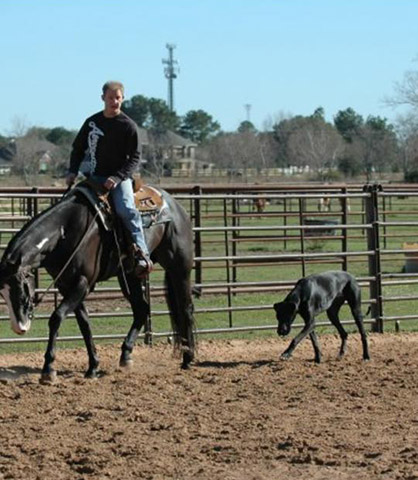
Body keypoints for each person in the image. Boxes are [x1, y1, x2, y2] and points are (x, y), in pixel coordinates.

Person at [66, 80, 153, 276]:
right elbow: (78, 149)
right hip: (94, 177)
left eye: (118, 98)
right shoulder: (92, 122)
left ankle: (142, 252)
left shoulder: (128, 126)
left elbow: (135, 158)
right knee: (72, 204)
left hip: (119, 179)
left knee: (125, 209)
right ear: (103, 98)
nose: (115, 101)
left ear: (122, 99)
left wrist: (118, 177)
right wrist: (72, 171)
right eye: (111, 97)